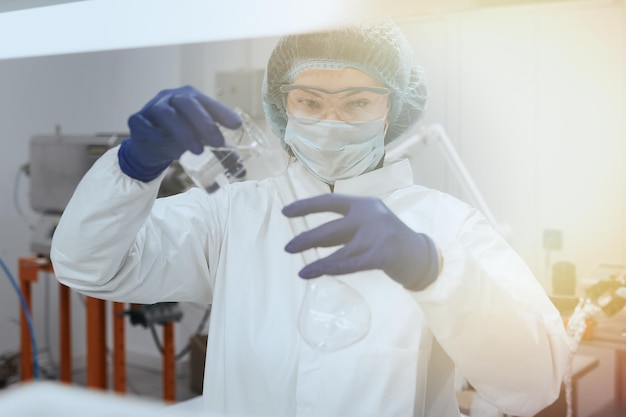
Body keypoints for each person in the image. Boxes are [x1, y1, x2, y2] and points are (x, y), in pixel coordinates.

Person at [51, 19, 569, 417]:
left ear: (392, 109)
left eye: (357, 101)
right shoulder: (234, 212)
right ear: (283, 106)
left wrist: (431, 269)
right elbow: (89, 267)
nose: (330, 121)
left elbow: (535, 384)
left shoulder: (446, 226)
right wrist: (132, 168)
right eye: (310, 101)